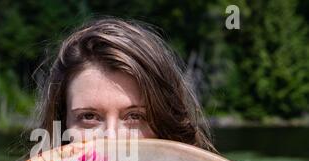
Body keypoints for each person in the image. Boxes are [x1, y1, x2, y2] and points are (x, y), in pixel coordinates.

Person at [31, 16, 217, 153]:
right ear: (62, 126)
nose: (111, 139)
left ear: (166, 125)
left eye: (135, 116)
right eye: (88, 116)